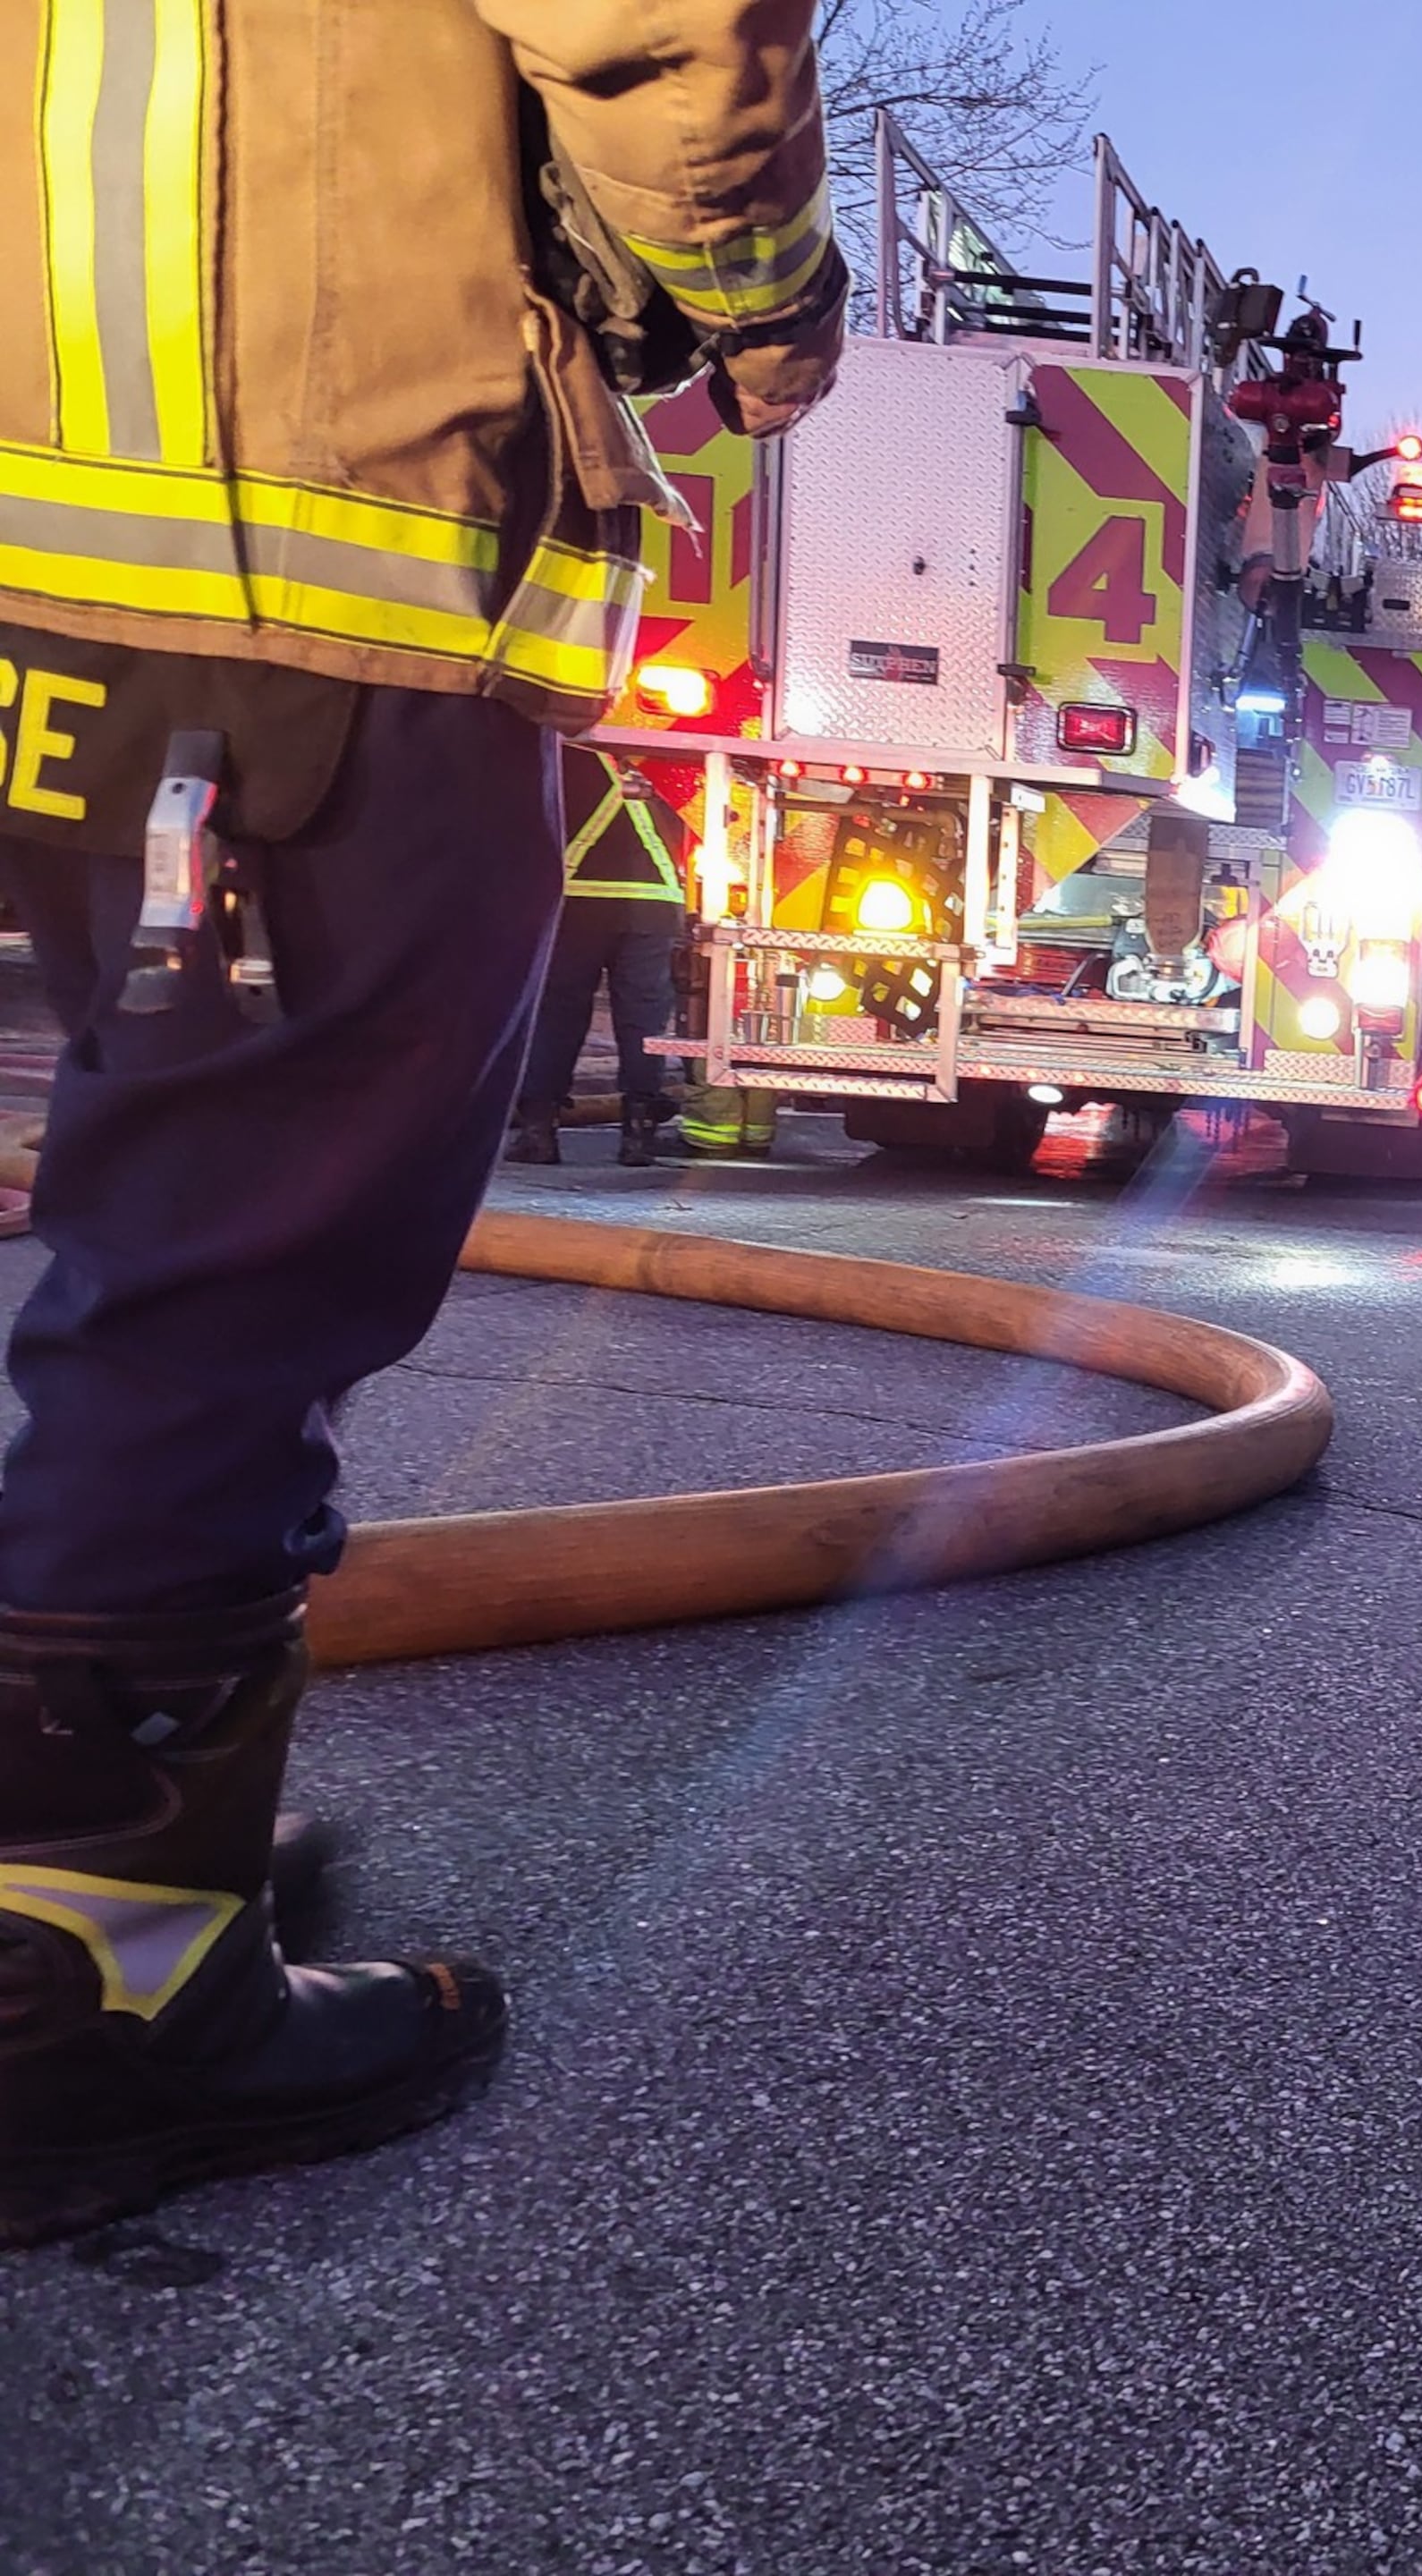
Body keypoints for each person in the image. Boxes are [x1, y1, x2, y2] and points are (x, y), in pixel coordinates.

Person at [0, 0, 843, 2247]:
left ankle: (95, 1867)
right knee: (232, 1266)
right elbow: (656, 28)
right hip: (326, 549)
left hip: (72, 544)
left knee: (160, 1211)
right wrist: (769, 309)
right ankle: (96, 1990)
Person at [511, 745, 692, 1166]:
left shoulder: (568, 747)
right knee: (643, 1020)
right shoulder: (672, 754)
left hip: (578, 901)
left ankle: (539, 1132)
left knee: (559, 1013)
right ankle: (637, 1137)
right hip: (655, 903)